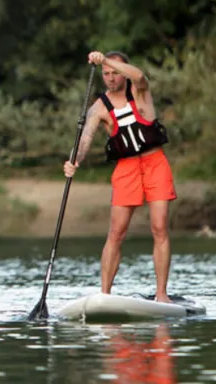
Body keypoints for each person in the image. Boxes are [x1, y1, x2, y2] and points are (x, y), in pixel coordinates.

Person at [64, 51, 176, 303]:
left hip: (155, 163)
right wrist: (74, 161)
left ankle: (161, 294)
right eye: (106, 74)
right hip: (126, 169)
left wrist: (105, 60)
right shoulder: (99, 107)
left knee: (159, 227)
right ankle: (105, 295)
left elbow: (139, 75)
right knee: (116, 233)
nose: (111, 77)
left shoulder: (140, 91)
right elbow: (85, 139)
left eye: (116, 72)